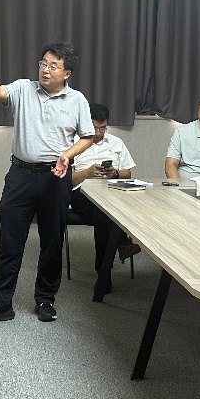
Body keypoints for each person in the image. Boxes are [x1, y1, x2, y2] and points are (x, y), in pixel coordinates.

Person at [0, 43, 94, 326]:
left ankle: (45, 299)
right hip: (21, 175)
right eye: (43, 63)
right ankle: (1, 304)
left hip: (56, 177)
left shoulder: (77, 100)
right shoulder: (23, 89)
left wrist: (67, 155)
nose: (45, 70)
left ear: (67, 73)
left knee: (52, 241)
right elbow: (0, 92)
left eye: (53, 66)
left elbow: (88, 137)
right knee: (10, 241)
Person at [68, 102, 137, 302]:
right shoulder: (72, 142)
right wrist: (88, 173)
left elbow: (127, 173)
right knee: (104, 209)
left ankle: (103, 275)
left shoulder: (116, 142)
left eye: (102, 128)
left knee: (104, 213)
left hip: (110, 193)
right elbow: (68, 180)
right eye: (94, 128)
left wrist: (114, 173)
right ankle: (122, 244)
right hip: (82, 194)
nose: (98, 133)